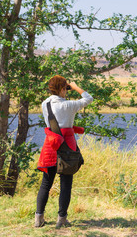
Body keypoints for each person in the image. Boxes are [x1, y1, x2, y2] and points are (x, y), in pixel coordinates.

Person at [35, 75, 93, 228]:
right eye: (66, 88)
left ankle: (38, 218)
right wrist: (75, 87)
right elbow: (88, 98)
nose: (67, 91)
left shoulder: (45, 103)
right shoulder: (68, 105)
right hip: (67, 147)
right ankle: (61, 220)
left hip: (50, 145)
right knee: (66, 184)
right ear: (62, 89)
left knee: (46, 184)